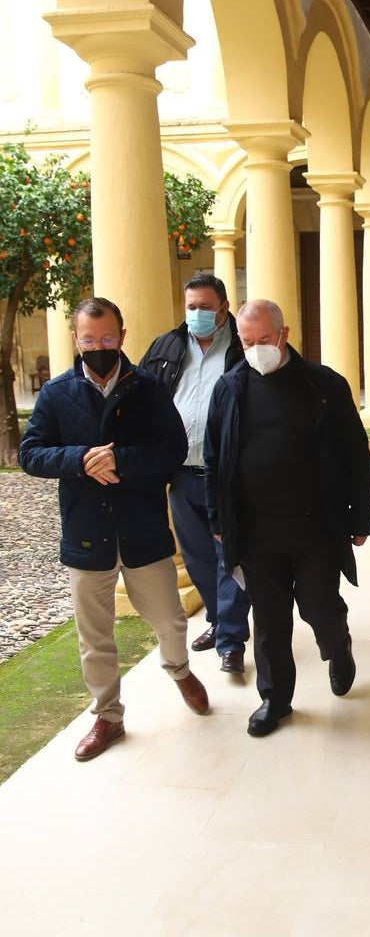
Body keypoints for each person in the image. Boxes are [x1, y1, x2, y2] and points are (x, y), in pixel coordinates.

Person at [19, 297, 209, 761]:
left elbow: (172, 448)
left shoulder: (147, 387)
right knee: (94, 634)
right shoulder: (57, 392)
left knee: (169, 618)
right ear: (76, 340)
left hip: (142, 528)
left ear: (122, 337)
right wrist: (80, 459)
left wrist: (120, 459)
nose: (98, 347)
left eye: (106, 339)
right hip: (86, 532)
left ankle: (179, 668)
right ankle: (108, 716)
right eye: (89, 340)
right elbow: (31, 453)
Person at [204, 299, 370, 738]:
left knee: (320, 607)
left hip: (316, 525)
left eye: (264, 340)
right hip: (257, 529)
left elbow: (357, 453)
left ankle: (338, 647)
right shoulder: (230, 388)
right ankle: (275, 699)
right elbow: (213, 459)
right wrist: (217, 519)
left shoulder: (324, 385)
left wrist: (362, 514)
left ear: (284, 334)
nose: (256, 349)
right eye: (247, 342)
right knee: (270, 619)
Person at [142, 272, 250, 677]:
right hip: (182, 473)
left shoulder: (243, 347)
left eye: (206, 307)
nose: (198, 314)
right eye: (191, 307)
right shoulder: (166, 347)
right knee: (198, 557)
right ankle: (219, 622)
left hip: (230, 474)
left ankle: (232, 641)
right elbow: (144, 398)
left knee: (232, 557)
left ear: (223, 307)